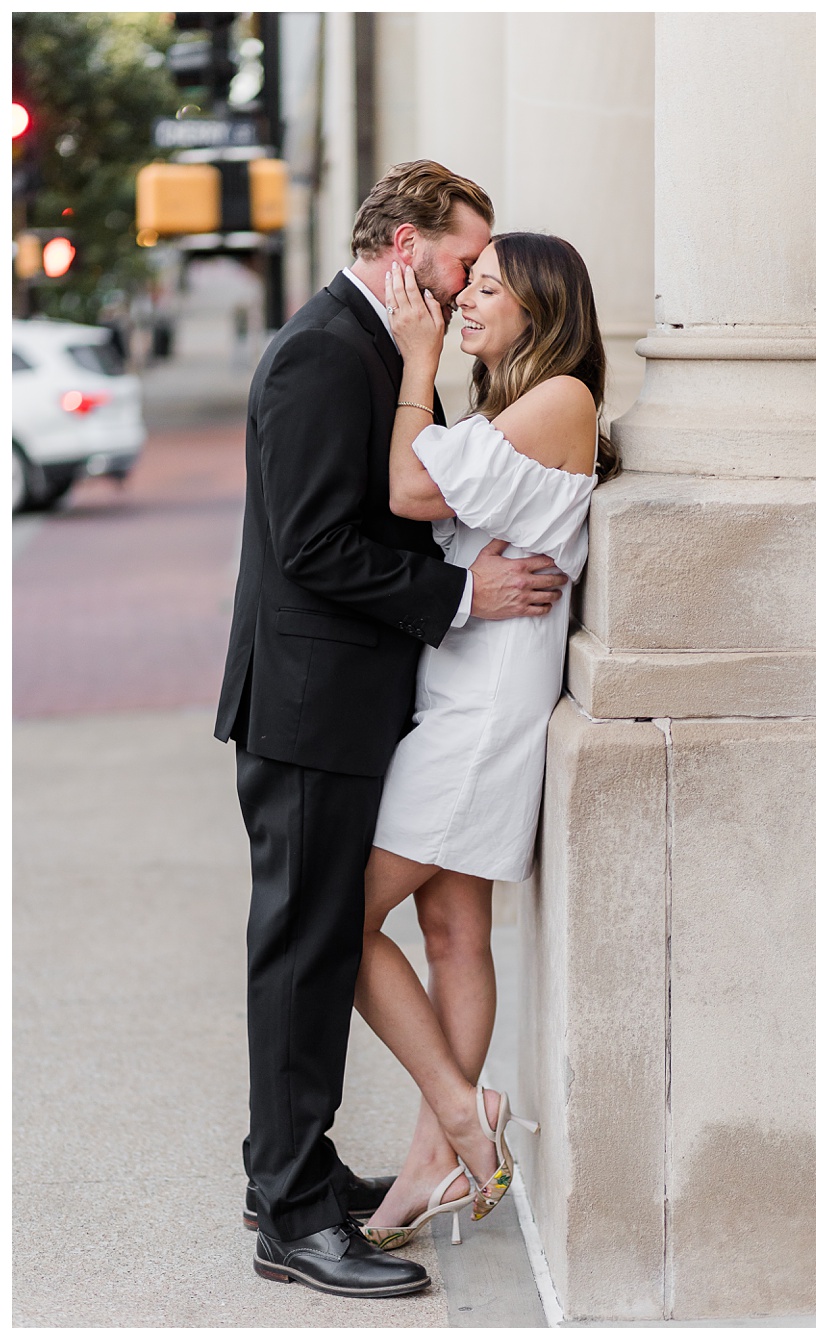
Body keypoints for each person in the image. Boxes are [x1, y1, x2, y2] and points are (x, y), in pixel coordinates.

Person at [214, 162, 570, 1298]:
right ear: (406, 245)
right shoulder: (328, 348)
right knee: (306, 945)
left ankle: (295, 1172)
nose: (469, 283)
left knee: (320, 937)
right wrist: (463, 599)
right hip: (311, 708)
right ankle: (292, 1217)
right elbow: (316, 544)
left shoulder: (373, 346)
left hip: (348, 705)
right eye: (465, 259)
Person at [348, 232, 620, 1248]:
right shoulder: (513, 405)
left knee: (341, 913)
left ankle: (461, 1116)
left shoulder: (561, 399)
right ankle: (435, 1153)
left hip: (484, 709)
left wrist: (415, 365)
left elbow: (411, 491)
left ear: (540, 311)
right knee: (453, 928)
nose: (464, 296)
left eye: (488, 286)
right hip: (462, 687)